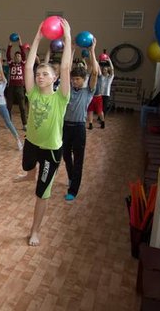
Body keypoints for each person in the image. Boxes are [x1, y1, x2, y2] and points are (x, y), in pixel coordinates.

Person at [14, 18, 72, 247]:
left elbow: (65, 68)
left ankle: (35, 231)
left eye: (45, 74)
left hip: (50, 151)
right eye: (39, 74)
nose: (40, 76)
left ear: (54, 78)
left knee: (41, 192)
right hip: (31, 143)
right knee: (27, 167)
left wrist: (67, 38)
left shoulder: (61, 98)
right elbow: (28, 67)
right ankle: (30, 174)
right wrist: (37, 38)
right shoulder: (33, 94)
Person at [63, 38, 99, 201]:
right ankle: (71, 177)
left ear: (83, 80)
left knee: (78, 160)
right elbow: (66, 70)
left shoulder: (88, 91)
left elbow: (95, 73)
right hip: (65, 127)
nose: (74, 81)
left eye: (77, 79)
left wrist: (92, 51)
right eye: (73, 79)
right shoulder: (69, 89)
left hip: (79, 128)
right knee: (65, 156)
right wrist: (71, 50)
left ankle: (73, 189)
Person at [0, 52, 23, 151]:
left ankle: (18, 140)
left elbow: (2, 72)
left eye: (0, 73)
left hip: (2, 105)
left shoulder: (4, 82)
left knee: (8, 123)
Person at [6, 38, 28, 130]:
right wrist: (10, 44)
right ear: (14, 58)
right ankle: (9, 123)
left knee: (22, 107)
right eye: (16, 56)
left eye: (19, 56)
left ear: (21, 58)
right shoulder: (11, 64)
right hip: (11, 87)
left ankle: (24, 124)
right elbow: (8, 54)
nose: (18, 57)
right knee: (9, 106)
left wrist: (20, 42)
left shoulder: (23, 64)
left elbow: (23, 53)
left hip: (20, 87)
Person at [88, 57, 114, 129]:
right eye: (103, 70)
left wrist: (96, 61)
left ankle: (102, 122)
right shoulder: (98, 76)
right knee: (90, 110)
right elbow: (93, 68)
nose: (103, 71)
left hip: (101, 96)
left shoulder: (104, 77)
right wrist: (95, 61)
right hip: (92, 95)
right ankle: (90, 124)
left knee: (100, 110)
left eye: (105, 70)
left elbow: (112, 70)